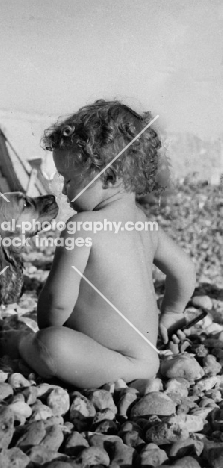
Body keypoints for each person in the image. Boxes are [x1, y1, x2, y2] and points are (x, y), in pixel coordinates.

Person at [16, 100, 196, 388]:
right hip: (146, 356)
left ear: (110, 176)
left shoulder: (83, 226)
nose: (63, 191)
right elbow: (185, 269)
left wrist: (42, 328)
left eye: (70, 180)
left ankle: (20, 344)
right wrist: (173, 312)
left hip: (114, 361)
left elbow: (57, 305)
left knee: (50, 344)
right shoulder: (145, 224)